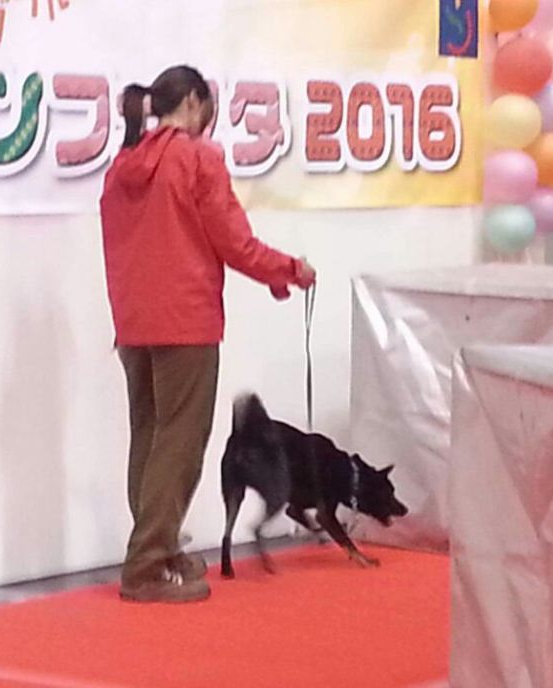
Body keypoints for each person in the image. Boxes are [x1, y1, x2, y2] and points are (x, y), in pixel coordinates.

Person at [99, 65, 316, 604]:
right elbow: (234, 242)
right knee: (180, 443)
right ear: (194, 102)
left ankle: (159, 546)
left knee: (150, 438)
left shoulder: (123, 165)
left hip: (133, 322)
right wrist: (289, 270)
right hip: (186, 319)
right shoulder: (198, 158)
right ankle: (146, 564)